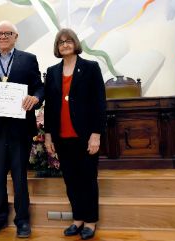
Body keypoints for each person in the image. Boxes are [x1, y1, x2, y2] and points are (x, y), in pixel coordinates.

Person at [0, 20, 44, 238]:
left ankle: (22, 221)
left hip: (19, 129)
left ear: (15, 36)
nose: (3, 37)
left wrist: (36, 98)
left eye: (7, 33)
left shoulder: (28, 59)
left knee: (20, 177)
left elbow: (39, 87)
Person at [44, 28, 106, 240]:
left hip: (85, 136)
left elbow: (99, 103)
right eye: (61, 42)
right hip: (61, 136)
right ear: (57, 47)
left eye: (68, 41)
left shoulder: (90, 67)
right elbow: (50, 106)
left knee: (87, 179)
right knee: (71, 180)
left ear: (75, 43)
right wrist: (48, 135)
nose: (65, 45)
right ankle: (78, 219)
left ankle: (90, 222)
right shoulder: (52, 71)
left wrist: (96, 134)